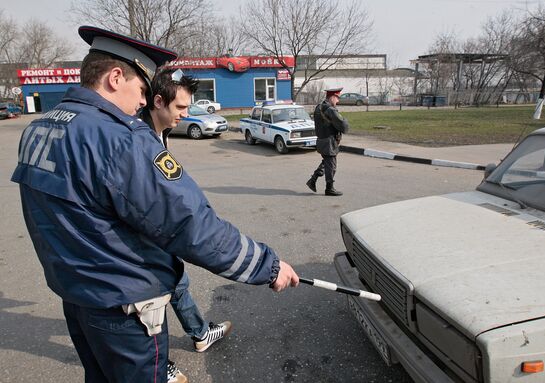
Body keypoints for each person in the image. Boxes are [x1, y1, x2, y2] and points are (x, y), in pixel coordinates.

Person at [11, 25, 299, 383]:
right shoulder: (122, 139)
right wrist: (268, 266)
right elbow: (191, 224)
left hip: (78, 296)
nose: (145, 101)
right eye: (143, 88)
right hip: (125, 307)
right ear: (116, 77)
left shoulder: (40, 127)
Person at [140, 67, 232, 354]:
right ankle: (155, 363)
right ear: (158, 102)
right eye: (180, 107)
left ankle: (199, 333)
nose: (185, 114)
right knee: (152, 294)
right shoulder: (137, 139)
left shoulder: (160, 131)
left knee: (177, 282)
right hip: (143, 235)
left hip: (160, 231)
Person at [306, 87, 349, 196]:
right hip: (329, 141)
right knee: (332, 165)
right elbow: (342, 125)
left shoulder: (318, 107)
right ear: (332, 97)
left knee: (327, 162)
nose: (338, 101)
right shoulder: (330, 109)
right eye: (337, 98)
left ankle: (313, 180)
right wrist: (345, 122)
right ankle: (329, 188)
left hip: (321, 140)